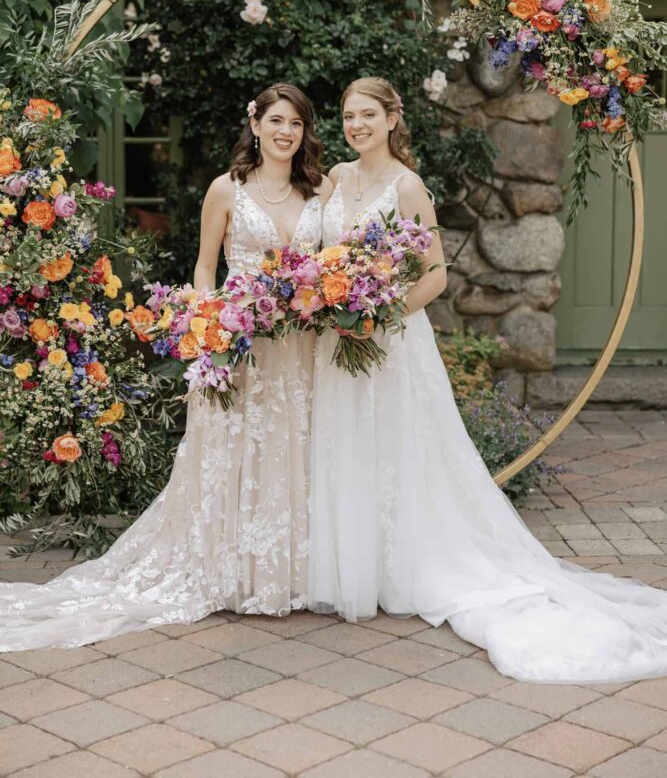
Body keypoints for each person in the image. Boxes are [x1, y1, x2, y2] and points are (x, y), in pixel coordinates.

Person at [307, 75, 667, 684]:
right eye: (347, 116)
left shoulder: (408, 186)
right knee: (344, 440)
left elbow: (436, 275)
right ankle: (351, 564)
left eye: (367, 114)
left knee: (397, 445)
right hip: (337, 336)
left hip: (388, 338)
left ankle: (405, 564)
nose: (356, 125)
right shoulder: (337, 179)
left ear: (393, 118)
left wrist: (378, 314)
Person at [0, 82, 330, 650]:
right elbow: (205, 268)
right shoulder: (226, 190)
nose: (285, 133)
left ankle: (289, 575)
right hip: (238, 342)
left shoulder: (321, 191)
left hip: (301, 346)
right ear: (255, 125)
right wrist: (211, 325)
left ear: (305, 133)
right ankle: (226, 573)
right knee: (233, 450)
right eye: (276, 121)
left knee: (291, 448)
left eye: (296, 124)